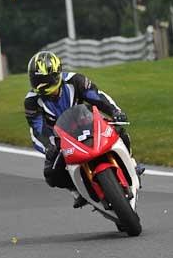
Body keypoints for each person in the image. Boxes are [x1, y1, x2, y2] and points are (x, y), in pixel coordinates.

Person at [24, 51, 143, 207]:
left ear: (57, 74)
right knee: (51, 174)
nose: (42, 86)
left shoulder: (76, 80)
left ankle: (131, 163)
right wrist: (48, 146)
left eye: (46, 81)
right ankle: (76, 190)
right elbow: (38, 129)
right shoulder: (31, 101)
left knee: (120, 132)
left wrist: (115, 112)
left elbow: (98, 97)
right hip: (60, 138)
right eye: (37, 81)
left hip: (88, 123)